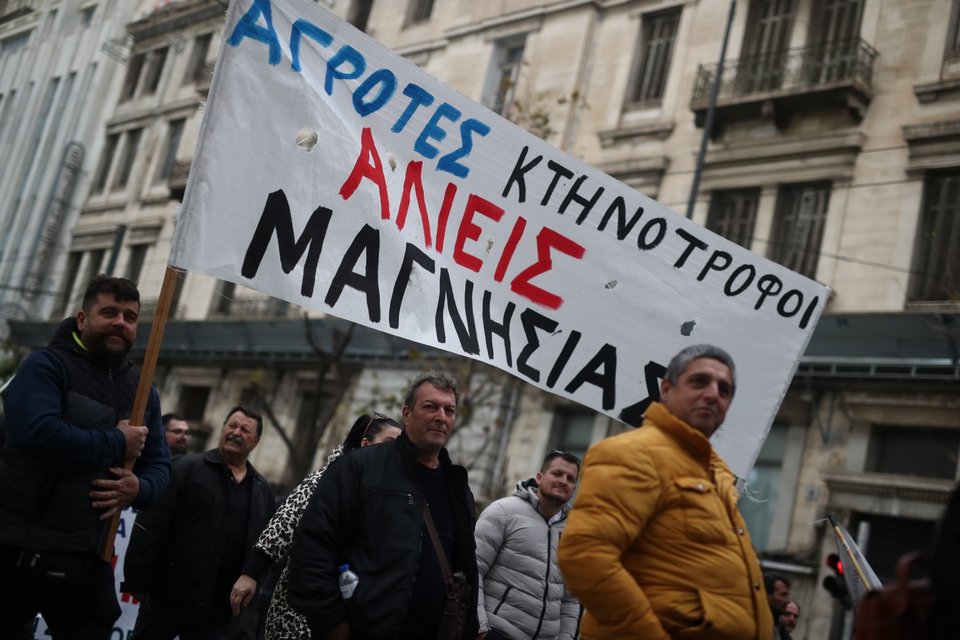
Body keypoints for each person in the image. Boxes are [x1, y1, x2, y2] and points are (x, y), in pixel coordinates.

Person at [557, 344, 773, 640]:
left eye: (724, 390)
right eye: (699, 381)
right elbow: (585, 555)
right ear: (667, 389)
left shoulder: (716, 474)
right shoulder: (633, 452)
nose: (713, 394)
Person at [0, 275, 170, 639]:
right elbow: (36, 432)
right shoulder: (45, 366)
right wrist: (116, 441)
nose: (120, 323)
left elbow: (159, 466)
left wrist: (138, 488)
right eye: (109, 313)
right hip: (17, 548)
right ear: (82, 319)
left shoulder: (143, 393)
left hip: (86, 557)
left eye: (129, 317)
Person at [288, 372, 480, 640]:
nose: (441, 416)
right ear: (407, 414)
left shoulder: (457, 487)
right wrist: (332, 623)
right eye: (430, 406)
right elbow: (313, 545)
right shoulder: (360, 467)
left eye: (449, 410)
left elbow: (465, 568)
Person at [231, 412, 402, 640]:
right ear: (365, 444)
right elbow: (287, 519)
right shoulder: (331, 476)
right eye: (389, 443)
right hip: (303, 608)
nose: (395, 453)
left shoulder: (390, 491)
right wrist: (251, 574)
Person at [123, 406, 277, 639]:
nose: (236, 432)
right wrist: (137, 581)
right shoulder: (187, 468)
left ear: (256, 442)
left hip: (220, 609)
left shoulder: (261, 490)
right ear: (222, 429)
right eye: (232, 426)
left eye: (245, 430)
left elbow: (264, 548)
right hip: (168, 596)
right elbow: (151, 524)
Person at [475, 450, 582, 640]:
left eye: (570, 479)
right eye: (557, 474)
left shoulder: (574, 534)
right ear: (539, 477)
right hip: (497, 632)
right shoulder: (504, 511)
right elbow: (473, 569)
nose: (563, 481)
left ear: (574, 488)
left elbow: (570, 600)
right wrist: (480, 626)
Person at [764, 572, 791, 638]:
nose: (788, 601)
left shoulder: (780, 628)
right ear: (767, 595)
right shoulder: (752, 625)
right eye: (783, 595)